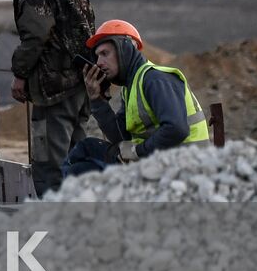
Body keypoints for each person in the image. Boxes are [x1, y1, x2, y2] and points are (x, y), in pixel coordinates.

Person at [2, 0, 95, 197]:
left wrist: (20, 74)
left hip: (54, 90)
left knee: (48, 164)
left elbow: (36, 35)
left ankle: (52, 224)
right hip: (81, 86)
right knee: (78, 160)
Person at [63, 20, 210, 177]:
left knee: (80, 171)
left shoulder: (154, 79)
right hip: (157, 160)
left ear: (125, 49)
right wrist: (97, 101)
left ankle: (54, 197)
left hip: (183, 166)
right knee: (86, 148)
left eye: (105, 53)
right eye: (97, 56)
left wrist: (136, 151)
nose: (99, 63)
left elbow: (176, 130)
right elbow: (121, 138)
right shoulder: (130, 87)